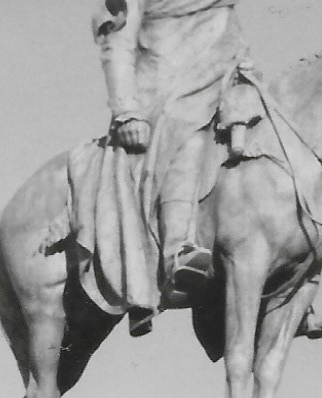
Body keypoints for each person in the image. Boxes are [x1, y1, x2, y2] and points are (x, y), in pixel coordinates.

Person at [91, 0, 250, 305]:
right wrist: (127, 112)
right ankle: (179, 252)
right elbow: (117, 44)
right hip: (169, 83)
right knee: (187, 134)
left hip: (228, 73)